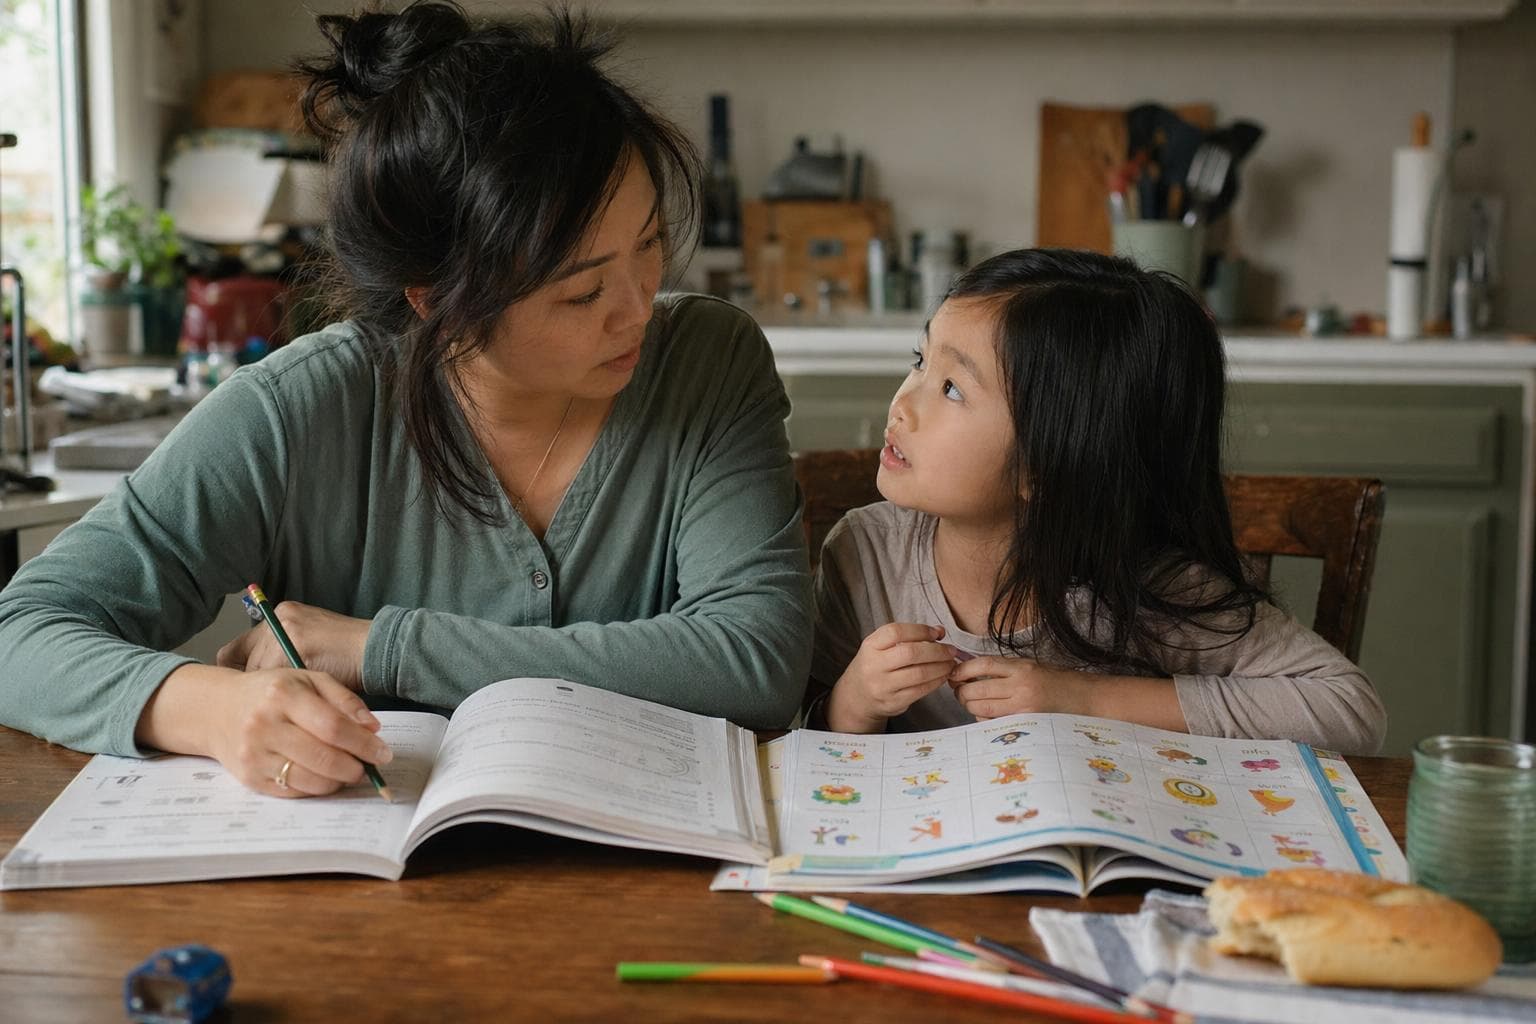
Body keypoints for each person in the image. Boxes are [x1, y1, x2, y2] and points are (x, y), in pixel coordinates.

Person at [0, 3, 812, 797]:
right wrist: (208, 709)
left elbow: (754, 660)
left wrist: (380, 647)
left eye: (648, 246)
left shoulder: (707, 360)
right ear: (436, 302)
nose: (640, 306)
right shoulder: (296, 412)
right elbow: (19, 633)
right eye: (583, 291)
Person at [807, 248, 1386, 755]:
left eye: (952, 387)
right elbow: (807, 756)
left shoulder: (1143, 586)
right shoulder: (866, 553)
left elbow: (1349, 710)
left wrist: (1083, 697)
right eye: (919, 361)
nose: (901, 404)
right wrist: (856, 701)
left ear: (1052, 465)